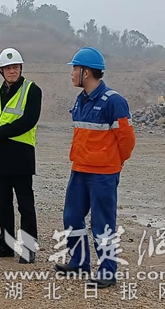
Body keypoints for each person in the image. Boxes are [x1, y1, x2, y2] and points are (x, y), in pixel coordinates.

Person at [55, 46, 136, 288]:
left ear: (86, 72)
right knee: (71, 217)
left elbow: (127, 141)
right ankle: (79, 262)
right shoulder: (81, 99)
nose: (71, 74)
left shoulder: (114, 102)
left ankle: (108, 271)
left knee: (102, 223)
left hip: (103, 175)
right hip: (80, 170)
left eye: (74, 69)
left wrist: (113, 163)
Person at [0, 48, 42, 264]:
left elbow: (29, 120)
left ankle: (28, 249)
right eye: (7, 68)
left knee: (25, 204)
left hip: (21, 154)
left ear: (21, 68)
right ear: (1, 70)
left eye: (15, 67)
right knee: (3, 204)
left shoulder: (32, 90)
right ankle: (6, 246)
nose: (12, 71)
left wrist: (1, 131)